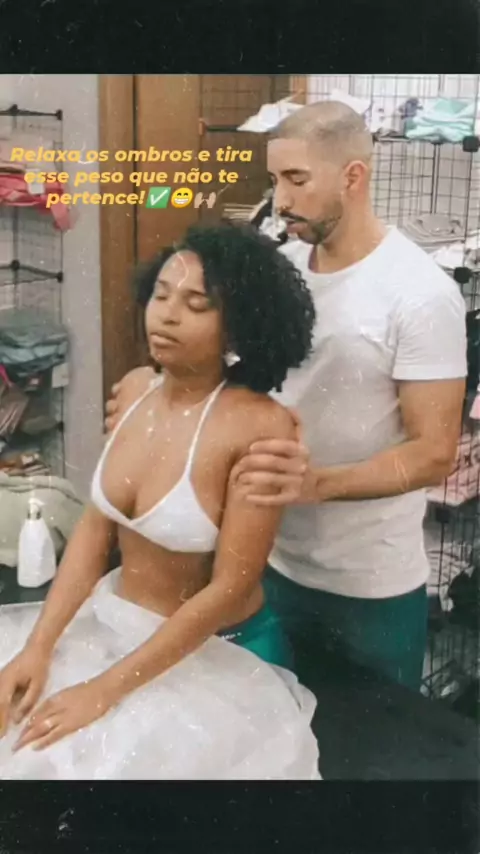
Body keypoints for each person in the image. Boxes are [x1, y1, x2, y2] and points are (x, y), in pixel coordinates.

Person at [107, 101, 467, 695]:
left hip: (365, 587)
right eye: (275, 179)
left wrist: (316, 485)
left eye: (297, 180)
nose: (281, 200)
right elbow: (228, 371)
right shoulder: (282, 272)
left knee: (364, 745)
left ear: (353, 176)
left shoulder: (420, 294)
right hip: (266, 564)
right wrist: (152, 392)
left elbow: (433, 454)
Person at [0, 222, 320, 780]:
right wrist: (38, 647)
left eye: (196, 304)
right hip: (110, 624)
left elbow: (229, 587)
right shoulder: (135, 390)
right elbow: (95, 531)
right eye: (161, 295)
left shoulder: (259, 427)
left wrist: (101, 691)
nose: (166, 315)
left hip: (210, 655)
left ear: (239, 326)